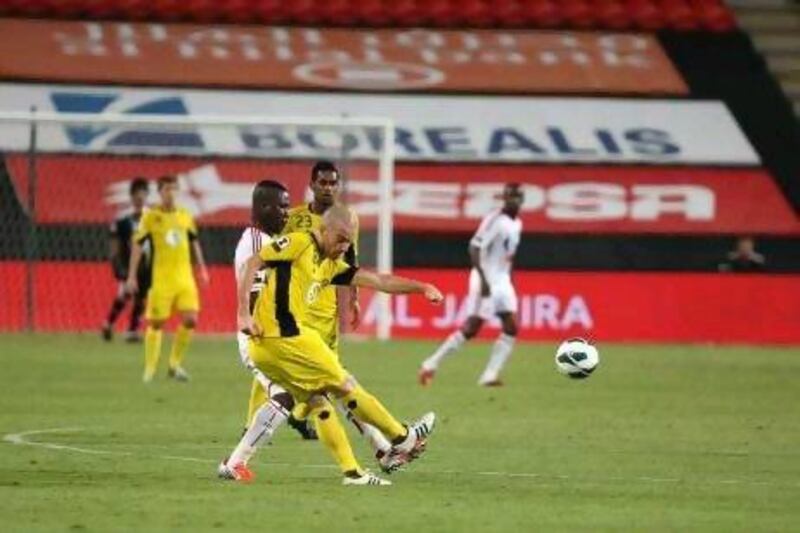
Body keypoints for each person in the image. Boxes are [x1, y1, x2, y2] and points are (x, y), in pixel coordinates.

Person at [233, 204, 442, 486]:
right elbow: (252, 262)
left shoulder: (330, 265)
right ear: (322, 230)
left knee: (320, 402)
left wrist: (421, 287)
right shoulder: (300, 242)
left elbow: (378, 280)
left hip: (271, 348)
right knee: (345, 385)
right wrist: (243, 312)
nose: (345, 245)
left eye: (349, 240)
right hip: (285, 337)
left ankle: (351, 473)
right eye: (340, 238)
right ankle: (402, 438)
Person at [244, 161, 368, 442]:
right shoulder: (293, 218)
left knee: (326, 375)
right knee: (276, 367)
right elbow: (271, 253)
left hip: (325, 306)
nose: (328, 188)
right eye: (322, 182)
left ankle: (299, 417)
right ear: (312, 185)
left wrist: (354, 300)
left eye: (333, 183)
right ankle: (252, 422)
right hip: (293, 306)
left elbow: (351, 260)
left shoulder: (348, 217)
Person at [419, 183, 524, 387]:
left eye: (517, 197)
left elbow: (509, 255)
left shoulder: (517, 223)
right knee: (472, 327)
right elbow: (474, 247)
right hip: (485, 278)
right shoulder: (495, 220)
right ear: (504, 198)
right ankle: (430, 363)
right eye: (510, 197)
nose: (514, 200)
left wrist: (510, 279)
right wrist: (484, 279)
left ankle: (490, 375)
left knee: (511, 326)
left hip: (503, 280)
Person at [126, 175, 210, 383]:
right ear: (160, 192)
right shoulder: (150, 217)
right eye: (167, 189)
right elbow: (137, 245)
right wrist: (131, 276)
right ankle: (150, 369)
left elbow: (193, 242)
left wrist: (202, 267)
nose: (171, 193)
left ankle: (174, 364)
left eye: (174, 188)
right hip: (161, 279)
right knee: (156, 323)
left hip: (184, 278)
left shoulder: (185, 215)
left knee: (191, 319)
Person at [101, 177, 151, 342]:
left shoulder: (152, 219)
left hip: (146, 265)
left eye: (143, 194)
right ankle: (109, 323)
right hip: (129, 265)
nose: (140, 198)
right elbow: (115, 245)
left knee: (142, 298)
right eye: (137, 195)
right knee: (126, 293)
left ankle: (132, 329)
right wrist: (117, 265)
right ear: (131, 197)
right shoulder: (123, 221)